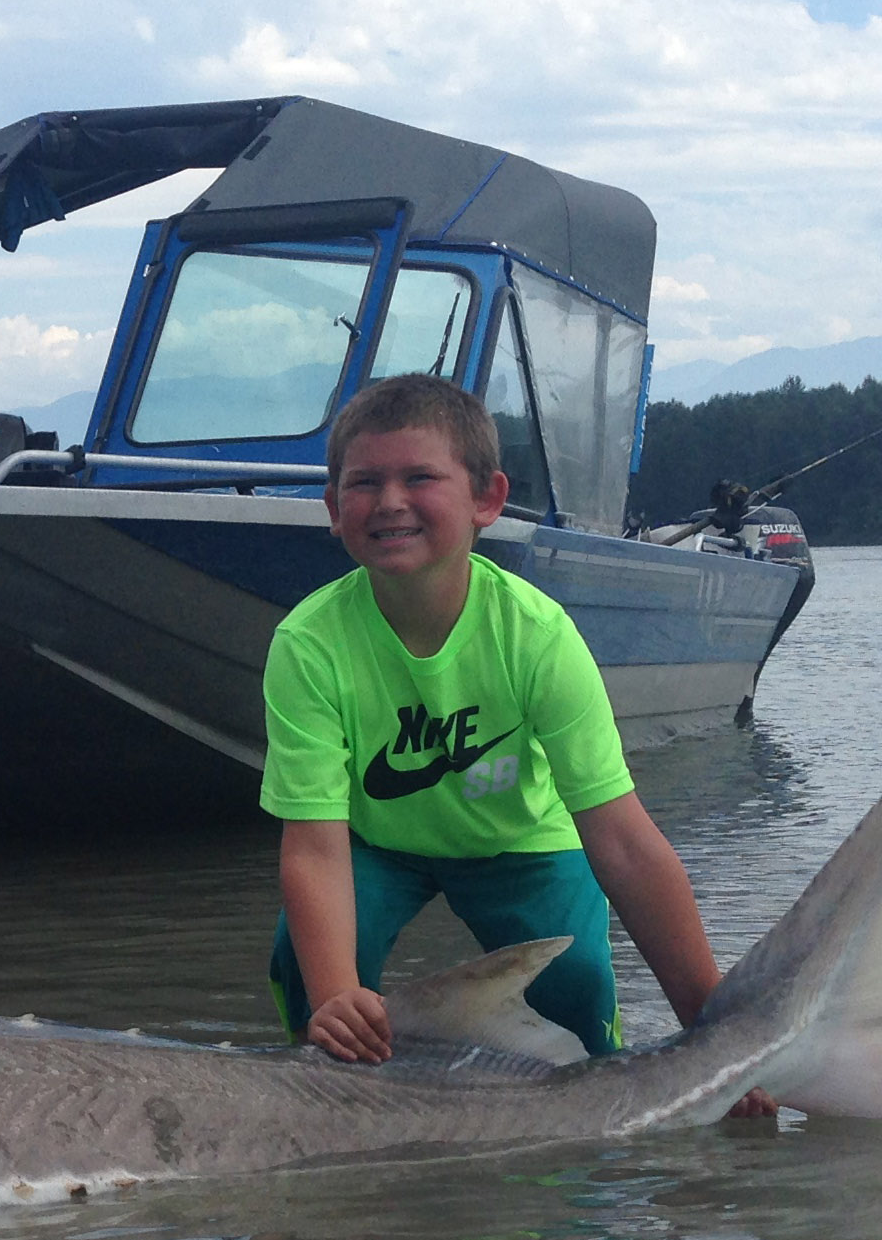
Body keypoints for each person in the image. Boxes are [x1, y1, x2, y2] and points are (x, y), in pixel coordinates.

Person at [263, 372, 723, 1071]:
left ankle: (593, 1150)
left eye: (420, 477)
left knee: (575, 983)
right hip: (377, 845)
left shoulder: (538, 636)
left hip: (520, 841)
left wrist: (714, 1030)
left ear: (487, 499)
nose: (390, 502)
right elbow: (314, 849)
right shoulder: (308, 644)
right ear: (332, 507)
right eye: (363, 483)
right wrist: (336, 1002)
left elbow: (626, 846)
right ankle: (329, 1102)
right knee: (306, 964)